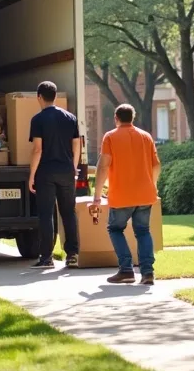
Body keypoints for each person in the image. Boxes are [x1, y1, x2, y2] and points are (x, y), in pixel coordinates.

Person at [91, 103, 161, 285]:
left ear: (116, 118)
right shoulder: (146, 136)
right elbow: (156, 165)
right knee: (143, 231)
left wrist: (97, 196)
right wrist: (153, 186)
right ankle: (148, 273)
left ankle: (126, 270)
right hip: (145, 194)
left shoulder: (110, 137)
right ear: (133, 117)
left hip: (121, 195)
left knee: (115, 229)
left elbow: (103, 166)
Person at [28, 81, 82, 269]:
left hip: (46, 172)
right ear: (55, 96)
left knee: (46, 215)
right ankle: (72, 255)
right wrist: (73, 167)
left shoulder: (38, 120)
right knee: (68, 213)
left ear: (39, 97)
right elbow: (77, 145)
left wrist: (32, 175)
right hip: (67, 171)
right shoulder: (71, 118)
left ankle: (46, 258)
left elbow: (37, 150)